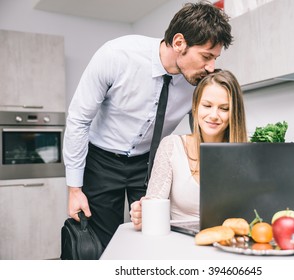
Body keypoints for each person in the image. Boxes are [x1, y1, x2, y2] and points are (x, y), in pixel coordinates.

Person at [63, 1, 233, 249]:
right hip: (101, 159)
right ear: (179, 43)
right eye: (206, 56)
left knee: (150, 236)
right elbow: (79, 119)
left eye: (215, 58)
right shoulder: (116, 56)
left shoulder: (200, 80)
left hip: (150, 162)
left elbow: (202, 131)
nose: (211, 67)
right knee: (102, 242)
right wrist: (74, 189)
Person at [129, 69, 248, 230]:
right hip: (181, 245)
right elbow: (152, 207)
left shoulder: (247, 153)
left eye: (224, 108)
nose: (214, 115)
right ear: (195, 106)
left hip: (230, 246)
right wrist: (142, 215)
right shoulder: (171, 146)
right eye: (207, 105)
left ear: (234, 113)